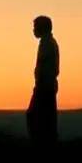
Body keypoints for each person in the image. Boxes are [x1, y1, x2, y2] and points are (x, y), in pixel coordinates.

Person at [27, 15, 60, 146]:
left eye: (35, 27)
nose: (33, 30)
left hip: (44, 86)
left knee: (34, 116)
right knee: (46, 118)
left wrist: (39, 84)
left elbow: (45, 67)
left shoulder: (47, 44)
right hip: (47, 85)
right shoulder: (49, 42)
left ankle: (40, 144)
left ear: (42, 28)